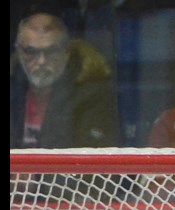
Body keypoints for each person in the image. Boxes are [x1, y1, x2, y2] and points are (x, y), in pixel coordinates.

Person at [10, 10, 118, 148]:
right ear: (19, 52)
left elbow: (88, 160)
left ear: (66, 53)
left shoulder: (91, 96)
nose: (41, 61)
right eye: (31, 52)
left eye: (51, 51)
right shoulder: (13, 89)